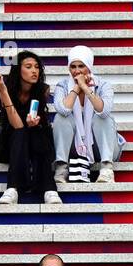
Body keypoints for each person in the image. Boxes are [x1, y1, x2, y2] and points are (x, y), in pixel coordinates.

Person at [0, 51, 60, 207]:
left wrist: (33, 124)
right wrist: (2, 91)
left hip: (36, 139)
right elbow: (17, 126)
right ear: (18, 69)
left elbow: (34, 122)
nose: (34, 71)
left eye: (37, 67)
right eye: (28, 67)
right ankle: (13, 189)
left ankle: (49, 190)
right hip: (10, 141)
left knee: (37, 131)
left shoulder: (42, 90)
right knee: (21, 133)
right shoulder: (6, 88)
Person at [52, 45, 124, 187]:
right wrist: (75, 89)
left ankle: (106, 169)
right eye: (73, 67)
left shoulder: (103, 85)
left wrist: (86, 88)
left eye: (81, 66)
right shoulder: (62, 86)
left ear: (89, 66)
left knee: (102, 118)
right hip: (73, 147)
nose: (77, 71)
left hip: (101, 147)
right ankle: (61, 168)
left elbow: (103, 111)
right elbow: (64, 110)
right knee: (60, 118)